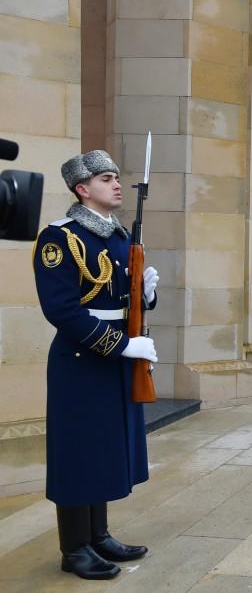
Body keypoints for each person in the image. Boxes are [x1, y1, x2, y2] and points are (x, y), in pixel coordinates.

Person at [33, 150, 159, 579]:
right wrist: (121, 346)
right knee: (77, 452)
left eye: (117, 177)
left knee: (103, 446)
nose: (117, 184)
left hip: (115, 358)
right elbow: (63, 310)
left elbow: (125, 303)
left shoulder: (120, 237)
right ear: (82, 189)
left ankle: (98, 535)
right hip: (81, 360)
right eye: (107, 179)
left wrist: (147, 294)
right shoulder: (59, 238)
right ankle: (75, 549)